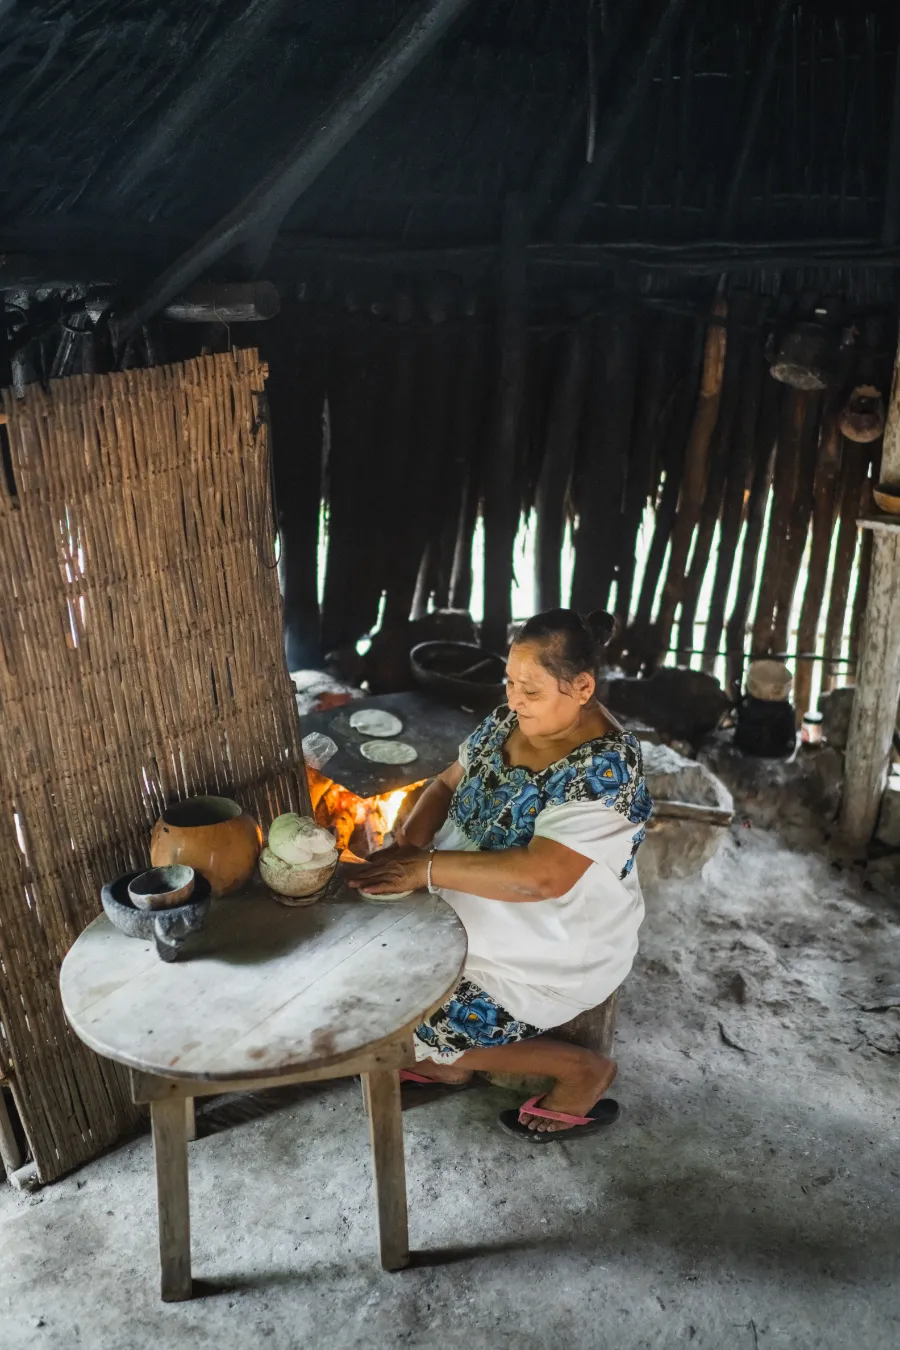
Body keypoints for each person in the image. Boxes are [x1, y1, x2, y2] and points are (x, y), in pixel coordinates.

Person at [348, 608, 652, 1143]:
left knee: (397, 1022)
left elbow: (543, 878)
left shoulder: (605, 772)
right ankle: (452, 1063)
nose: (513, 700)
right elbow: (444, 784)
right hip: (461, 901)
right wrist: (407, 843)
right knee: (365, 978)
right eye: (510, 682)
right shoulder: (511, 719)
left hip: (550, 943)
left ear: (582, 686)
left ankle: (579, 1070)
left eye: (530, 690)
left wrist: (424, 869)